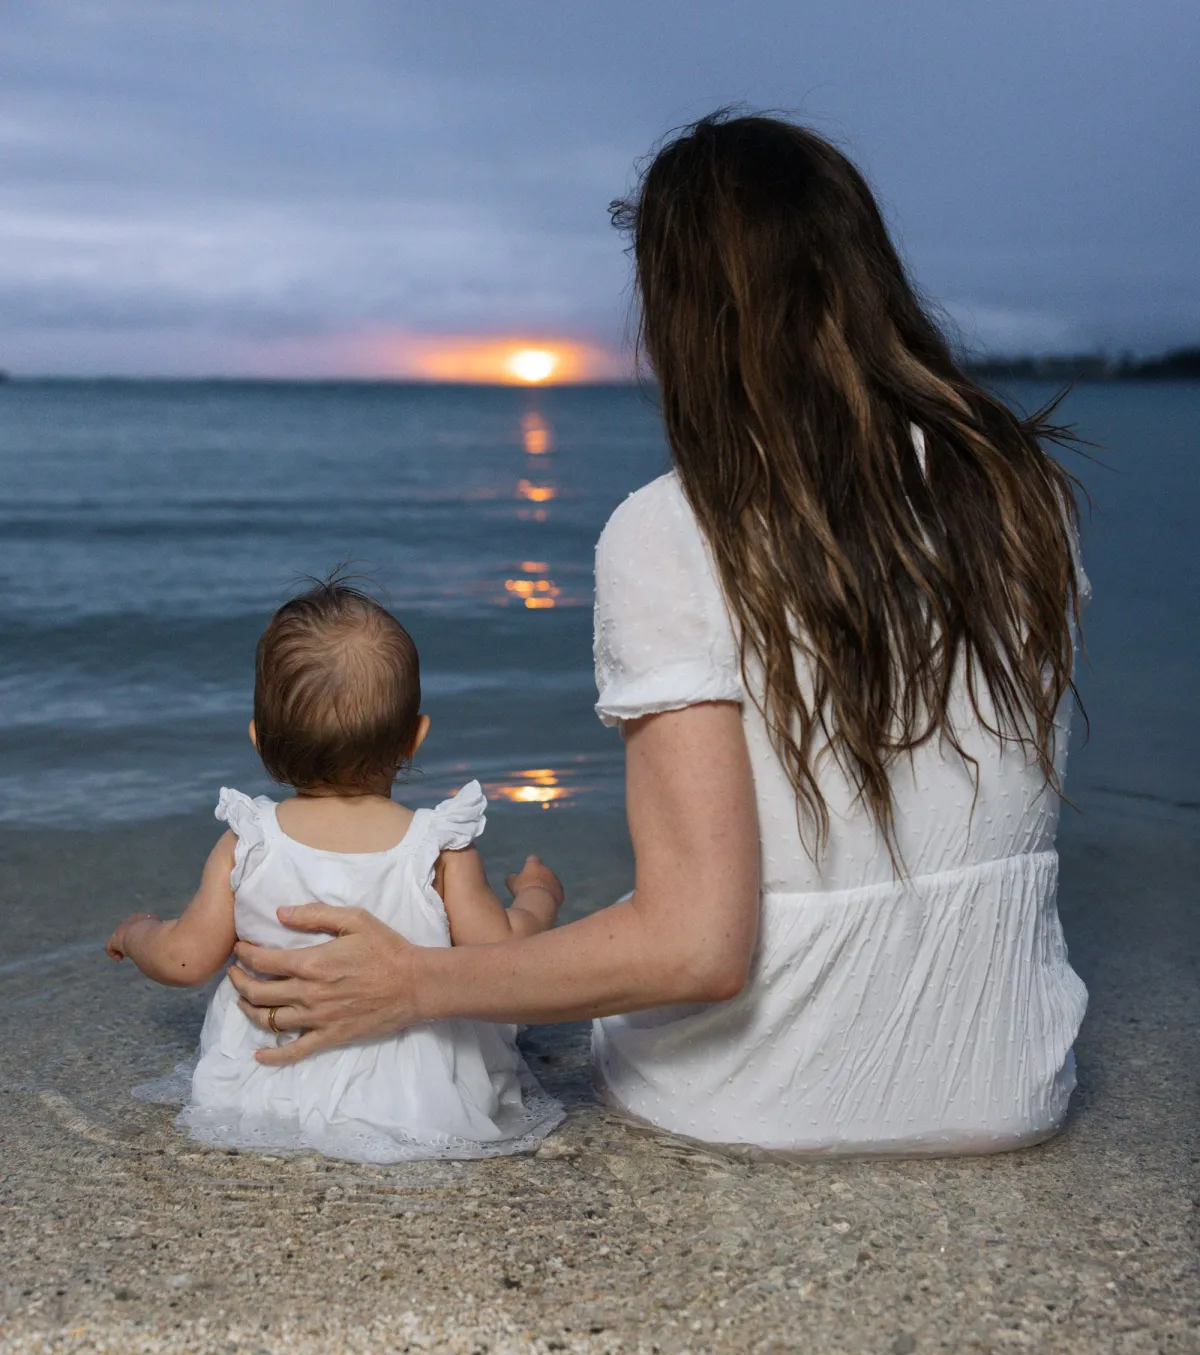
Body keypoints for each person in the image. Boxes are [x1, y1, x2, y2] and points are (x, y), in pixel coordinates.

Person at [229, 113, 1089, 1157]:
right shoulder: (1026, 494)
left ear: (690, 315)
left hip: (757, 1101)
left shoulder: (675, 532)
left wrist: (415, 983)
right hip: (1012, 1086)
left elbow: (697, 952)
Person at [107, 578, 565, 1162]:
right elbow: (504, 960)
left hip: (263, 1088)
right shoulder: (437, 847)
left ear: (258, 741)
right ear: (415, 738)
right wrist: (536, 896)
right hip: (418, 1102)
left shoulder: (249, 841)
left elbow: (183, 958)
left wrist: (136, 930)